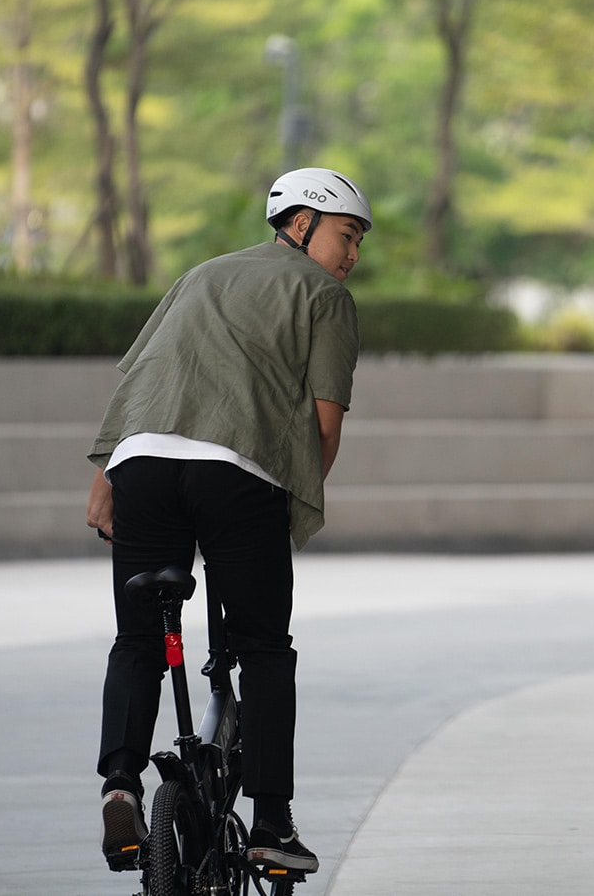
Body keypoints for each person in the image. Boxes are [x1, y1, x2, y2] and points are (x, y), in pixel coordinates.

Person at [85, 167, 372, 875]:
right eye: (345, 235)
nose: (351, 255)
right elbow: (324, 424)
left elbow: (139, 379)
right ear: (301, 224)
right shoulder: (325, 296)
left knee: (138, 637)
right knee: (265, 647)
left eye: (358, 242)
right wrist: (288, 504)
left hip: (140, 462)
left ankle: (121, 782)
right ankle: (271, 822)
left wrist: (105, 478)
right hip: (236, 473)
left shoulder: (201, 274)